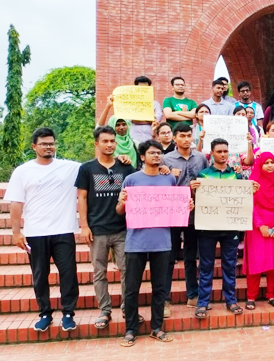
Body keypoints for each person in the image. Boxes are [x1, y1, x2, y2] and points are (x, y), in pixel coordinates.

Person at [117, 140, 192, 346]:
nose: (157, 156)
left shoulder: (168, 180)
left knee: (160, 288)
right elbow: (119, 211)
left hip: (162, 242)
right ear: (142, 157)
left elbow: (174, 207)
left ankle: (157, 328)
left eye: (159, 153)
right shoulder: (131, 180)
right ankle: (130, 329)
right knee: (132, 289)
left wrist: (187, 206)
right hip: (135, 243)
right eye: (152, 153)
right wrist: (122, 203)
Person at [7, 128, 81, 333]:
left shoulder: (69, 168)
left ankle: (68, 313)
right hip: (35, 232)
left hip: (64, 230)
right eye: (44, 144)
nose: (48, 147)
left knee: (68, 273)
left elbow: (96, 166)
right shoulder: (23, 171)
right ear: (34, 146)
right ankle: (45, 313)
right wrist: (16, 232)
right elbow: (16, 203)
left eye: (51, 143)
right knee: (40, 274)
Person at [76, 126, 137, 330]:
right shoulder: (87, 169)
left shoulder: (125, 167)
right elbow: (82, 197)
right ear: (97, 143)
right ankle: (105, 310)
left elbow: (139, 187)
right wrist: (84, 226)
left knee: (127, 270)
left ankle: (128, 308)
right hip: (97, 229)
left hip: (122, 229)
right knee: (99, 272)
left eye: (112, 141)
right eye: (105, 141)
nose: (110, 144)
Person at [190, 139, 253, 318]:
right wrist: (192, 190)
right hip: (207, 229)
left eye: (225, 151)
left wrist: (251, 190)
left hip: (230, 229)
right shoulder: (202, 176)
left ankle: (231, 301)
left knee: (229, 266)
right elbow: (197, 201)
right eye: (219, 151)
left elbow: (243, 199)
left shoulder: (236, 175)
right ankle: (202, 303)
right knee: (206, 266)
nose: (223, 154)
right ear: (212, 154)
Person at [162, 124, 209, 316]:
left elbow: (208, 180)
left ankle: (193, 294)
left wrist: (200, 184)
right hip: (172, 215)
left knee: (191, 256)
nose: (187, 139)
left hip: (194, 214)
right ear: (175, 139)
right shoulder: (165, 159)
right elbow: (158, 187)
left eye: (189, 135)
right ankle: (164, 299)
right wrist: (167, 176)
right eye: (182, 136)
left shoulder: (201, 158)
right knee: (168, 257)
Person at [244, 152, 274, 309]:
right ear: (260, 164)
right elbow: (249, 204)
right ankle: (251, 296)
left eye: (272, 162)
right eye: (266, 162)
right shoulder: (253, 181)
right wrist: (260, 225)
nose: (270, 165)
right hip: (257, 227)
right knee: (256, 261)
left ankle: (271, 295)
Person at [128, 76, 164, 144]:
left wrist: (138, 118)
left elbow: (156, 120)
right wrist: (149, 119)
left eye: (146, 88)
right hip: (134, 139)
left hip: (151, 138)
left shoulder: (155, 104)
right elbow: (132, 119)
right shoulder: (131, 104)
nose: (143, 90)